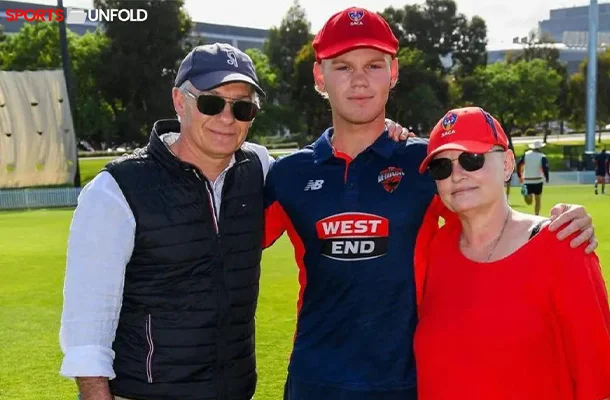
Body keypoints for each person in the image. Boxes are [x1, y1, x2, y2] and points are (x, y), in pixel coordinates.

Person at [263, 7, 598, 400]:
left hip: (407, 383)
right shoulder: (288, 175)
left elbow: (490, 220)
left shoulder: (428, 164)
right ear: (320, 75)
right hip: (312, 383)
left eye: (373, 65)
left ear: (394, 72)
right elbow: (223, 247)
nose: (359, 80)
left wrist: (556, 223)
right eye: (342, 66)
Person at [59, 42, 413, 400]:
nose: (227, 119)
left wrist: (384, 133)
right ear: (180, 102)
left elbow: (325, 171)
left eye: (242, 108)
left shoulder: (258, 169)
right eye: (211, 103)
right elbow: (86, 326)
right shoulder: (115, 190)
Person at [414, 107, 610, 400]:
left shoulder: (563, 244)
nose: (457, 175)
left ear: (508, 164)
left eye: (471, 159)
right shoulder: (434, 250)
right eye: (442, 167)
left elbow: (597, 378)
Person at [516, 139, 550, 215]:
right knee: (538, 199)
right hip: (538, 180)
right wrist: (547, 177)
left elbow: (519, 164)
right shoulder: (542, 156)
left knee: (529, 202)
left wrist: (519, 175)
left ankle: (526, 195)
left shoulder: (526, 155)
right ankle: (536, 214)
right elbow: (545, 168)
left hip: (527, 180)